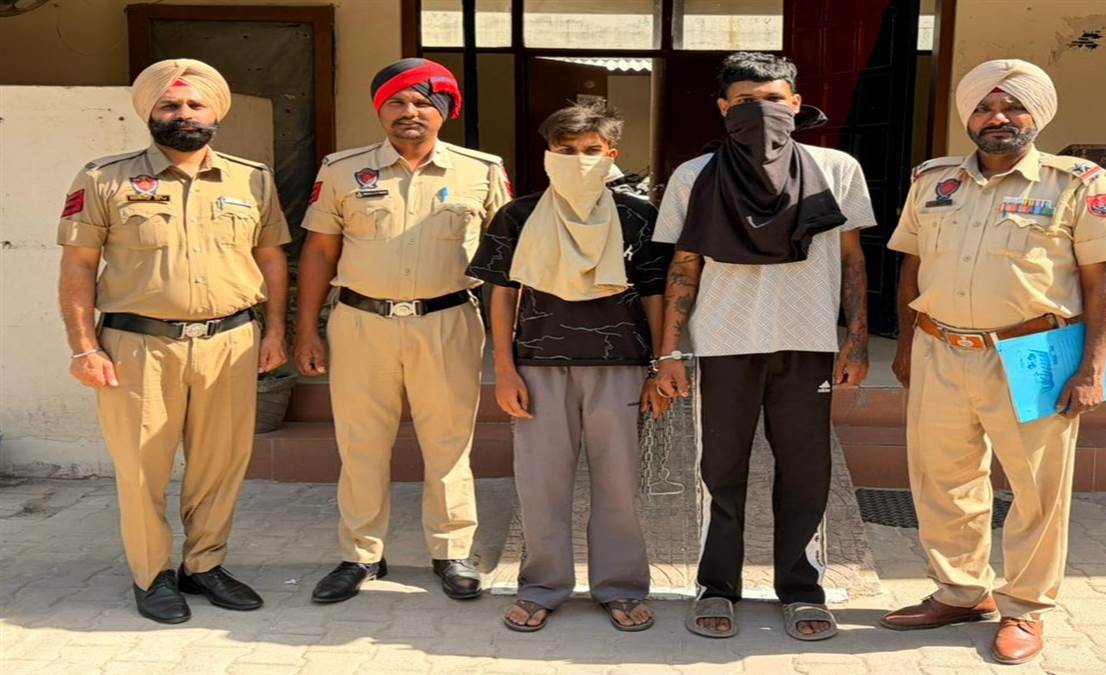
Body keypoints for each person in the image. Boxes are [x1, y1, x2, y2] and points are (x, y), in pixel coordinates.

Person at [880, 59, 1106, 665]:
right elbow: (913, 265)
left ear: (1036, 114)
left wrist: (1092, 368)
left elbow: (1102, 280)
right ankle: (962, 592)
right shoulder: (933, 180)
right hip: (941, 349)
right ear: (968, 117)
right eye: (984, 108)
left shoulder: (1076, 182)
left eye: (1013, 107)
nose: (998, 118)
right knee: (943, 480)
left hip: (1031, 353)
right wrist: (909, 346)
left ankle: (1025, 607)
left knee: (1037, 489)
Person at [57, 59, 290, 624]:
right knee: (143, 468)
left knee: (220, 464)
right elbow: (78, 266)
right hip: (138, 346)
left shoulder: (251, 179)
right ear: (150, 113)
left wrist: (276, 330)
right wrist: (84, 347)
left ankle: (205, 565)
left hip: (230, 342)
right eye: (169, 104)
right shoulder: (104, 178)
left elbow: (271, 258)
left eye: (194, 104)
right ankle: (152, 574)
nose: (183, 113)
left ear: (214, 113)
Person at [652, 52, 875, 641]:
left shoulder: (837, 168)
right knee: (719, 472)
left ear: (796, 105)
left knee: (806, 470)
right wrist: (669, 352)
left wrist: (855, 340)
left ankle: (802, 588)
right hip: (723, 344)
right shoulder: (695, 176)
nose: (761, 111)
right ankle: (716, 586)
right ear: (724, 109)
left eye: (774, 99)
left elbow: (852, 259)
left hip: (808, 343)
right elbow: (683, 266)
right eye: (746, 102)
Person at [295, 58, 510, 604]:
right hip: (361, 323)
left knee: (449, 442)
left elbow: (508, 259)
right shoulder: (342, 170)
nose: (409, 111)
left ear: (444, 111)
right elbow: (319, 251)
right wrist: (306, 330)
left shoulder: (482, 170)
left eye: (422, 102)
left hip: (448, 320)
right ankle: (361, 554)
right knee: (361, 443)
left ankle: (451, 551)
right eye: (396, 101)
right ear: (380, 109)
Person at [466, 101, 673, 633]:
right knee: (540, 486)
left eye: (591, 150)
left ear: (611, 155)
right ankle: (542, 586)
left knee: (618, 486)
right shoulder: (517, 216)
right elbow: (501, 295)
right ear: (548, 155)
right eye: (566, 150)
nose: (579, 159)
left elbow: (656, 295)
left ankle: (621, 587)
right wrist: (504, 369)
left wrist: (658, 366)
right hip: (538, 367)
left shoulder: (638, 216)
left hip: (621, 367)